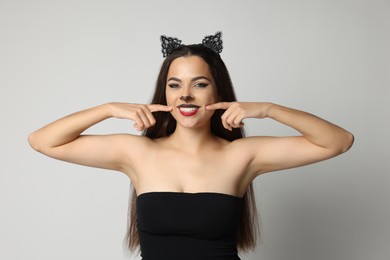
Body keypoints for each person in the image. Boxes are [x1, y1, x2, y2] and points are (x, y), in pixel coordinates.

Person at [28, 32, 354, 260]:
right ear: (165, 94)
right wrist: (109, 108)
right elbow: (42, 141)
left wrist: (269, 109)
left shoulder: (241, 156)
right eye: (174, 85)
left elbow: (338, 142)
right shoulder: (139, 153)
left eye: (199, 84)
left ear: (217, 92)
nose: (185, 95)